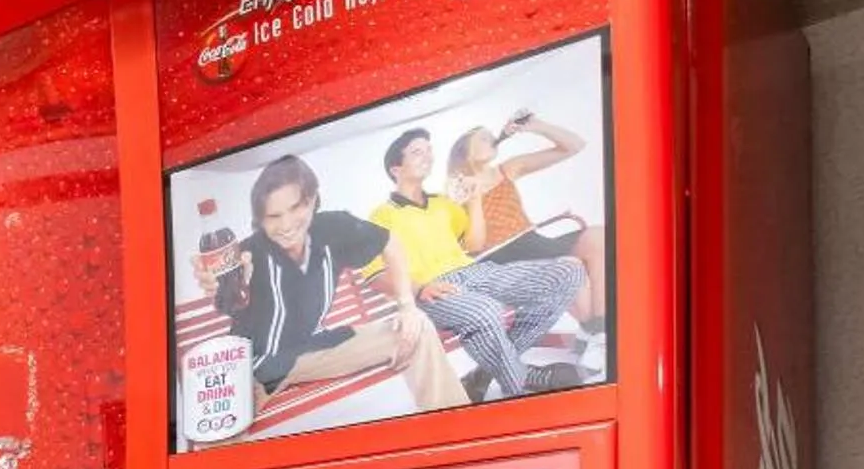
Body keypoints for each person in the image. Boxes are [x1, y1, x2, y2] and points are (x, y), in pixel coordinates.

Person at [200, 154, 466, 421]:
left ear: (312, 200)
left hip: (316, 349)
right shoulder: (248, 253)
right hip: (255, 369)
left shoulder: (333, 227)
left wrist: (407, 306)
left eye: (296, 208)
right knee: (217, 424)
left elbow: (390, 242)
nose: (286, 225)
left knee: (417, 328)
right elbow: (228, 294)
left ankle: (454, 436)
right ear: (261, 219)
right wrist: (218, 284)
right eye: (274, 216)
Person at [370, 127, 588, 401]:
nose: (427, 156)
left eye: (428, 150)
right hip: (435, 290)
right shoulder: (381, 216)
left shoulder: (444, 203)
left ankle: (484, 374)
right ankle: (522, 381)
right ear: (396, 169)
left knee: (569, 271)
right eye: (416, 152)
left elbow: (474, 245)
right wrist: (419, 288)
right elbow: (374, 273)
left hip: (477, 272)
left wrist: (474, 202)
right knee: (486, 310)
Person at [448, 113, 607, 332]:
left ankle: (598, 328)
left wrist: (536, 126)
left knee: (598, 237)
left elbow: (575, 145)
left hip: (533, 243)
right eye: (483, 138)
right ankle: (597, 331)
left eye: (490, 135)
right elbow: (474, 246)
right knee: (570, 264)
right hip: (503, 260)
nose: (492, 137)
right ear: (466, 154)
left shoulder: (506, 170)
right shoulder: (456, 190)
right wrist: (473, 199)